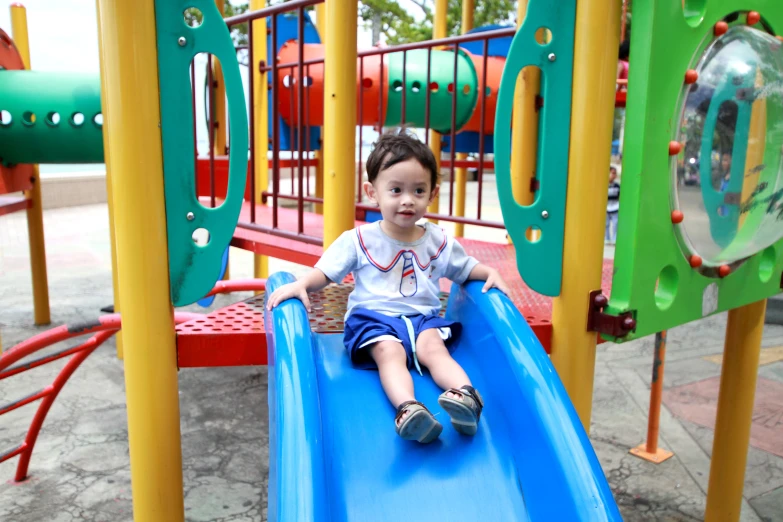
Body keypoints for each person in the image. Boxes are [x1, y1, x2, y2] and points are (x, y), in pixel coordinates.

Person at [267, 129, 510, 444]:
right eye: (395, 190)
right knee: (389, 352)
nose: (407, 200)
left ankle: (467, 398)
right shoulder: (360, 240)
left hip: (422, 320)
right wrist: (302, 285)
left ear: (432, 194)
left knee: (433, 349)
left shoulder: (438, 240)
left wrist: (489, 271)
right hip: (374, 319)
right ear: (373, 192)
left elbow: (465, 269)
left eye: (418, 191)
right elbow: (326, 272)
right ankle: (409, 409)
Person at [606, 166, 621, 244]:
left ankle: (614, 239)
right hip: (606, 208)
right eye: (612, 173)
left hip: (615, 208)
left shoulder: (617, 186)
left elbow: (620, 196)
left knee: (615, 224)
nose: (614, 175)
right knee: (606, 224)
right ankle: (606, 239)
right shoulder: (603, 185)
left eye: (615, 174)